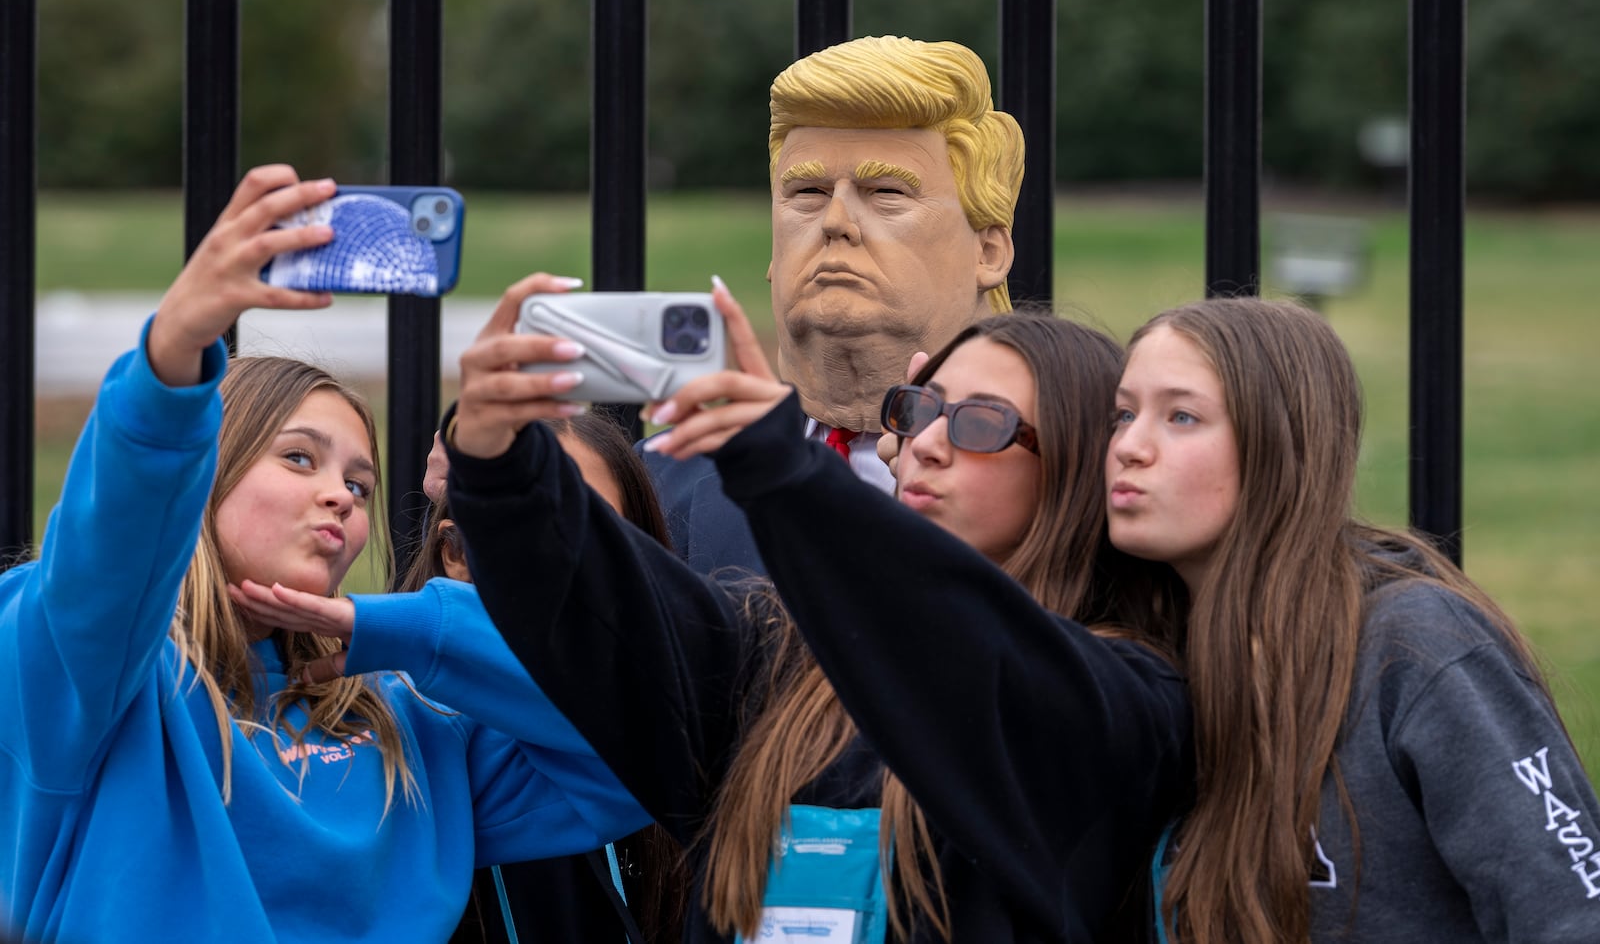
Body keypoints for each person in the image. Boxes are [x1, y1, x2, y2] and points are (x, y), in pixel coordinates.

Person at [0, 167, 649, 943]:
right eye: (301, 459)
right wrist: (174, 349)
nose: (342, 495)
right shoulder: (88, 678)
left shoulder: (409, 722)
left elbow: (633, 745)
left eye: (361, 483)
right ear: (200, 476)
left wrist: (412, 628)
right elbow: (106, 557)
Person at [440, 272, 1192, 942]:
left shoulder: (1127, 697)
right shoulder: (781, 659)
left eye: (982, 423)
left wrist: (779, 469)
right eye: (921, 407)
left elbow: (975, 657)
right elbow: (609, 612)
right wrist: (502, 462)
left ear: (1073, 466)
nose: (926, 442)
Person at [1108, 296, 1600, 942]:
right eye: (1122, 414)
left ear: (1281, 443)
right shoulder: (1145, 657)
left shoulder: (1415, 645)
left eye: (1181, 415)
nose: (1129, 446)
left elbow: (1572, 912)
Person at [259, 411, 688, 944]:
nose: (564, 556)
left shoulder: (440, 725)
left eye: (600, 530)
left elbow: (651, 744)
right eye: (525, 525)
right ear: (456, 554)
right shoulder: (425, 721)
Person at [644, 35, 1023, 574]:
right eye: (808, 194)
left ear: (987, 251)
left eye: (887, 193)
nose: (835, 222)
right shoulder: (657, 484)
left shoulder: (1065, 481)